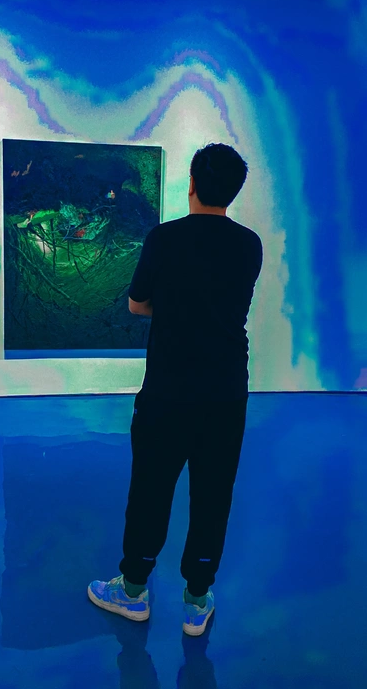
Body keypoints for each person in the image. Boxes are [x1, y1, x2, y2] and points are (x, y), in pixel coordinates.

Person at [88, 143, 263, 636]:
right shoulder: (250, 245)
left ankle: (133, 591)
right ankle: (196, 600)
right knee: (214, 494)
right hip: (226, 392)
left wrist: (173, 307)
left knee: (150, 489)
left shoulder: (164, 238)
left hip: (167, 391)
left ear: (191, 184)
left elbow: (137, 305)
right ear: (234, 191)